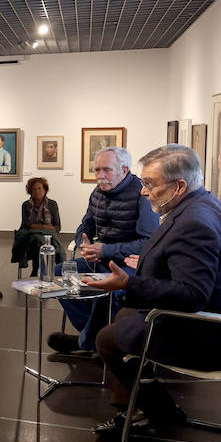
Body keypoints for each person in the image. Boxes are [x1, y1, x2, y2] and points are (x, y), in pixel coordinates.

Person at [83, 144, 221, 434]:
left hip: (214, 336)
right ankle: (137, 406)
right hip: (220, 319)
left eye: (150, 184)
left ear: (179, 186)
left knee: (106, 340)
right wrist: (149, 263)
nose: (143, 191)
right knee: (125, 315)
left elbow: (191, 295)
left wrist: (128, 282)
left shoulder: (195, 223)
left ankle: (157, 413)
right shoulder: (201, 205)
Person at [48, 147, 158, 356]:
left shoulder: (142, 195)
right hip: (101, 258)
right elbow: (85, 226)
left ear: (124, 170)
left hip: (130, 263)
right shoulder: (97, 192)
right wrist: (85, 244)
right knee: (60, 273)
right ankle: (93, 338)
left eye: (106, 170)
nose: (100, 175)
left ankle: (87, 341)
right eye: (97, 170)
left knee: (108, 288)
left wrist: (105, 250)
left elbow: (147, 242)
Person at [11, 176, 63, 267]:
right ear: (30, 191)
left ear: (45, 189)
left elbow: (57, 227)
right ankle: (41, 269)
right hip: (29, 235)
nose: (37, 191)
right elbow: (25, 224)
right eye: (34, 189)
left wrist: (43, 228)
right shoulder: (26, 205)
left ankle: (38, 270)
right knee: (36, 242)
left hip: (48, 235)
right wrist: (44, 227)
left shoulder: (52, 204)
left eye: (39, 188)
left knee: (40, 242)